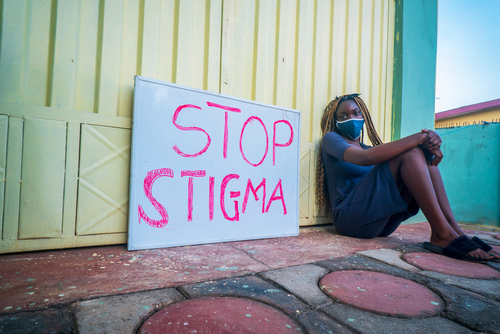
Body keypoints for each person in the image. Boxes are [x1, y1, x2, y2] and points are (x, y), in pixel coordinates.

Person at [315, 93, 498, 263]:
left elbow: (374, 156)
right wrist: (422, 136)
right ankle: (442, 235)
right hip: (350, 220)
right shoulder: (331, 139)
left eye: (356, 113)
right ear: (335, 121)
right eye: (343, 116)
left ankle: (454, 230)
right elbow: (363, 159)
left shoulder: (368, 147)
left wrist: (427, 143)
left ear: (365, 116)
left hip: (382, 224)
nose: (351, 119)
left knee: (422, 155)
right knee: (411, 152)